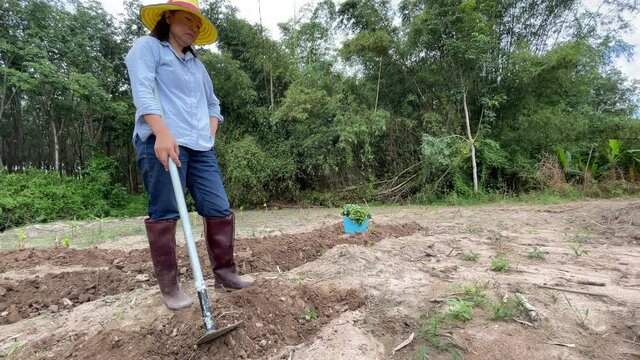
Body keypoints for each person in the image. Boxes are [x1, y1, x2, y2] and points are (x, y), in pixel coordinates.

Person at [125, 0, 252, 311]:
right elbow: (142, 90)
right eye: (187, 20)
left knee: (219, 208)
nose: (194, 28)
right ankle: (170, 288)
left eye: (198, 24)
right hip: (163, 142)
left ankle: (225, 274)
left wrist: (208, 137)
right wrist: (162, 132)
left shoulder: (197, 65)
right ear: (167, 17)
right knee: (166, 211)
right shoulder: (148, 48)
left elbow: (213, 106)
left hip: (200, 148)